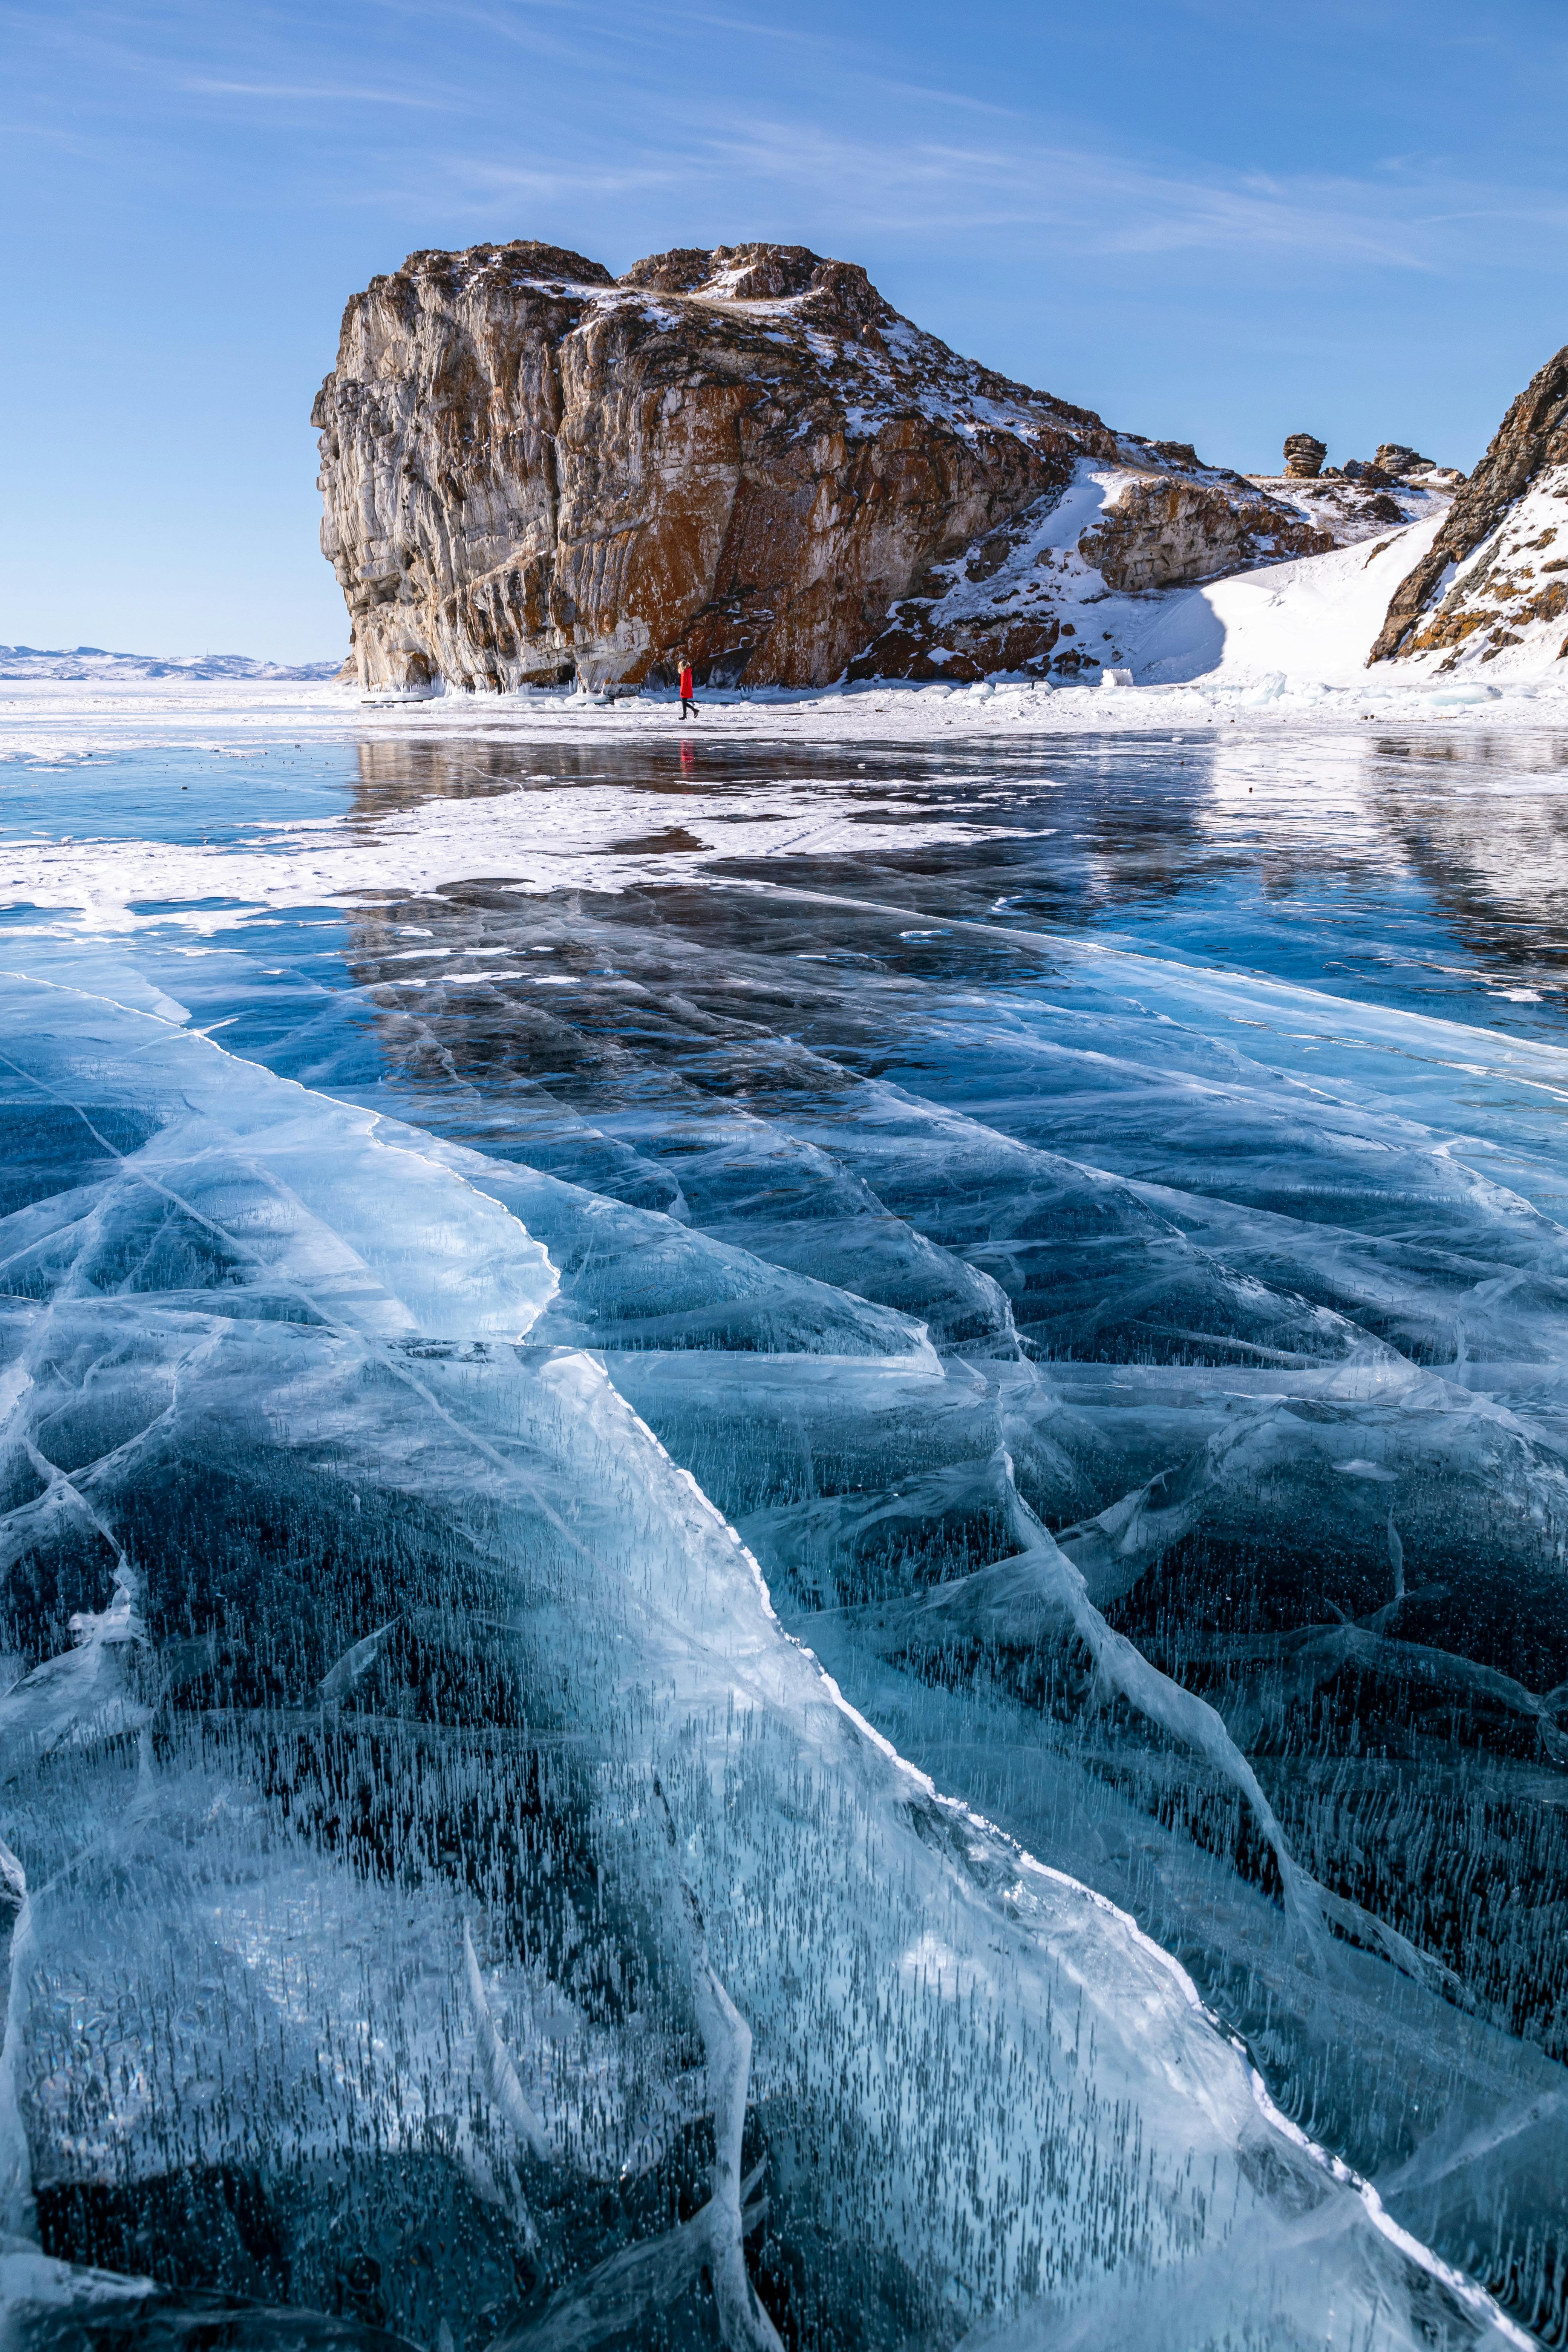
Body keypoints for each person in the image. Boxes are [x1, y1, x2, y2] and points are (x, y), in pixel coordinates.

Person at [678, 657, 697, 721]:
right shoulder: (689, 672)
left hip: (685, 690)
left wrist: (682, 691)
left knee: (684, 703)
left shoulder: (684, 673)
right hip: (688, 689)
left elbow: (684, 683)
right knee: (684, 703)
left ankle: (688, 714)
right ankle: (690, 713)